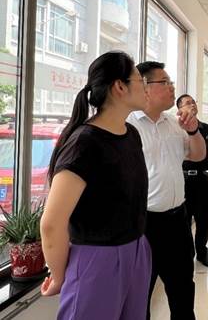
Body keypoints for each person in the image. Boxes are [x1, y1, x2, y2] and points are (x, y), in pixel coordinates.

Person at [40, 51, 152, 320]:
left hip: (137, 250)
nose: (146, 87)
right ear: (120, 87)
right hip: (96, 260)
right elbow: (52, 223)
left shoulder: (131, 134)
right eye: (141, 80)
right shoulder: (85, 143)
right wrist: (59, 276)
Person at [127, 62, 205, 320]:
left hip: (177, 221)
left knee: (182, 289)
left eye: (171, 82)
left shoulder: (174, 123)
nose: (172, 87)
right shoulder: (128, 126)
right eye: (165, 82)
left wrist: (193, 130)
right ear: (145, 87)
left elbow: (197, 155)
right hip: (143, 224)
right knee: (140, 294)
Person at [177, 94, 208, 268]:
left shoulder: (205, 128)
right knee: (184, 220)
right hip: (182, 180)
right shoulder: (177, 129)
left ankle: (202, 252)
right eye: (188, 103)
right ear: (180, 109)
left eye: (193, 101)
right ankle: (186, 254)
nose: (192, 104)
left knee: (203, 219)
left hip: (201, 179)